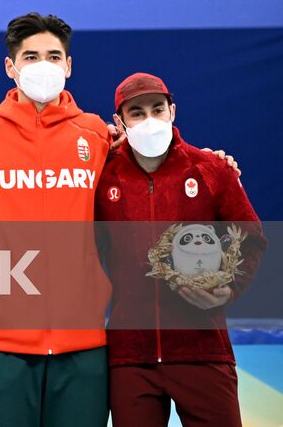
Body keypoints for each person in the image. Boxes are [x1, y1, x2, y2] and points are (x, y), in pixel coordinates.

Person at [0, 12, 112, 427]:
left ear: (69, 65)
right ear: (11, 67)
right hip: (2, 340)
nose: (43, 65)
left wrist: (213, 165)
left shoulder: (96, 134)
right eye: (30, 56)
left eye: (54, 55)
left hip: (84, 340)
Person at [94, 72, 266, 427]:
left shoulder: (211, 168)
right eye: (137, 112)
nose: (149, 119)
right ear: (120, 121)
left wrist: (228, 288)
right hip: (130, 356)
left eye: (157, 109)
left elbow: (252, 237)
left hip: (203, 349)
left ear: (172, 111)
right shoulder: (102, 177)